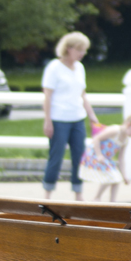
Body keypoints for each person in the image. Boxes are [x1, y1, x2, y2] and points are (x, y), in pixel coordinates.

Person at [43, 32, 99, 201]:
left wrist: (92, 116)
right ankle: (47, 195)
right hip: (59, 119)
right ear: (69, 48)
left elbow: (82, 94)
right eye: (79, 49)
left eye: (84, 50)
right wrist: (48, 121)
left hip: (77, 119)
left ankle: (78, 194)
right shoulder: (54, 67)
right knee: (56, 156)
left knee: (79, 157)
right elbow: (47, 96)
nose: (82, 53)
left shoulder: (80, 68)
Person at [80, 112, 131, 201]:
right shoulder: (115, 130)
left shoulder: (125, 140)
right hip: (94, 154)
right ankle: (97, 197)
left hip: (106, 159)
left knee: (117, 179)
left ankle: (112, 201)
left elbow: (121, 159)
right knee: (112, 177)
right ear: (129, 124)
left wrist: (124, 175)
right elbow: (96, 139)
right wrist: (99, 155)